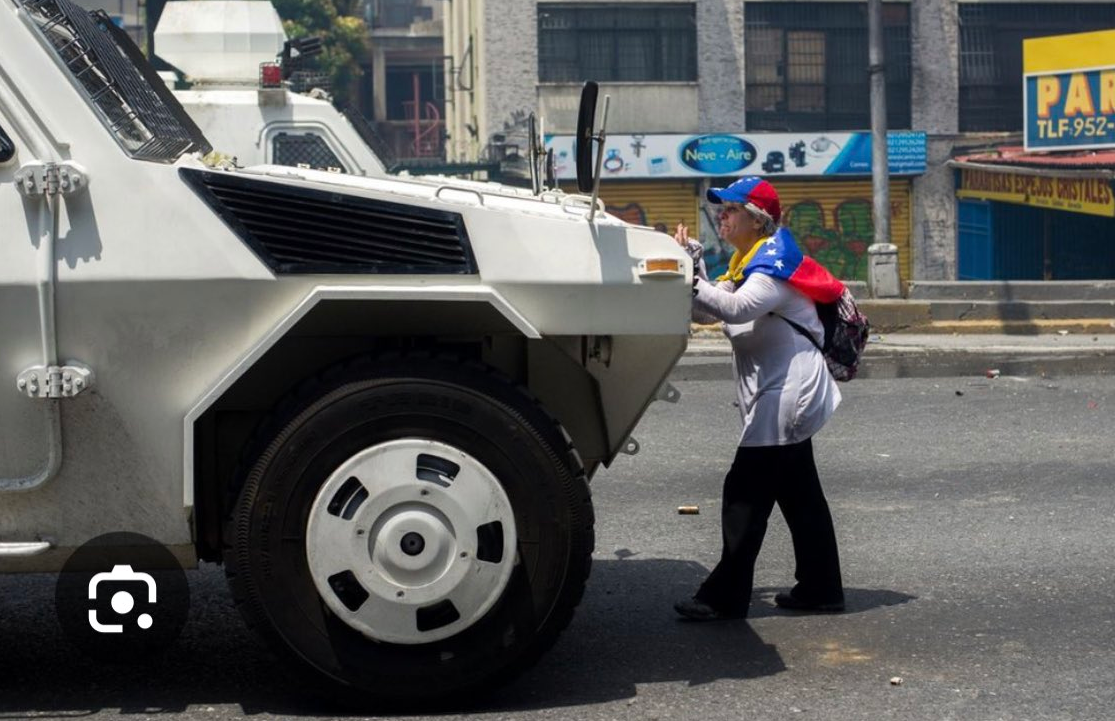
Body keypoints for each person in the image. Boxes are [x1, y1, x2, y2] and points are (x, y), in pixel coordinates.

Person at [673, 176, 845, 621]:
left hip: (787, 394)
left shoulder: (775, 265)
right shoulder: (745, 263)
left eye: (730, 209)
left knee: (744, 495)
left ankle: (722, 597)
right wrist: (693, 265)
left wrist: (689, 277)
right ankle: (820, 588)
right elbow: (705, 311)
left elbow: (735, 309)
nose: (721, 216)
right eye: (722, 209)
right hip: (777, 392)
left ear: (757, 218)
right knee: (801, 497)